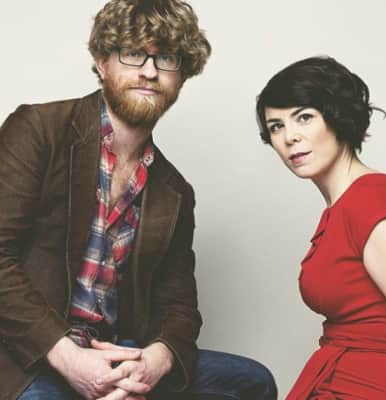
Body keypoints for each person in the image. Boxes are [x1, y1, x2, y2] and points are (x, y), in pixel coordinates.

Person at [0, 1, 278, 399]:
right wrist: (69, 358)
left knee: (252, 382)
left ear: (182, 75)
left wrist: (153, 363)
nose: (149, 71)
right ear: (102, 62)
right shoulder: (39, 130)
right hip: (28, 353)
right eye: (133, 53)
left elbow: (179, 307)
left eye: (166, 58)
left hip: (115, 352)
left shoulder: (175, 189)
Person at [256, 56, 386, 399]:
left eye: (304, 117)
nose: (290, 137)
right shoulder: (342, 208)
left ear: (337, 117)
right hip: (338, 378)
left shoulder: (370, 200)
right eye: (276, 126)